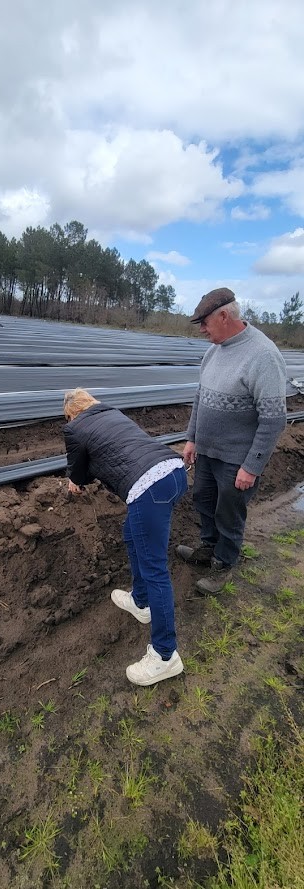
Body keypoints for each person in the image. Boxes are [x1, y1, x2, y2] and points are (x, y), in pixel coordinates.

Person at [63, 388, 187, 686]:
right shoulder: (111, 413)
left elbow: (78, 471)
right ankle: (141, 602)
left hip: (149, 489)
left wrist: (74, 483)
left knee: (155, 570)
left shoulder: (74, 427)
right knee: (131, 534)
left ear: (71, 413)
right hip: (174, 472)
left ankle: (165, 656)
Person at [177, 288, 287, 595]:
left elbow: (274, 418)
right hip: (208, 452)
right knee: (203, 501)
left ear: (224, 316)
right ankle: (208, 549)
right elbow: (200, 398)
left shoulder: (263, 356)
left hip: (237, 460)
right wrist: (191, 438)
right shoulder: (214, 350)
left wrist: (251, 467)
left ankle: (224, 562)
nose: (201, 330)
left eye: (204, 322)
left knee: (229, 512)